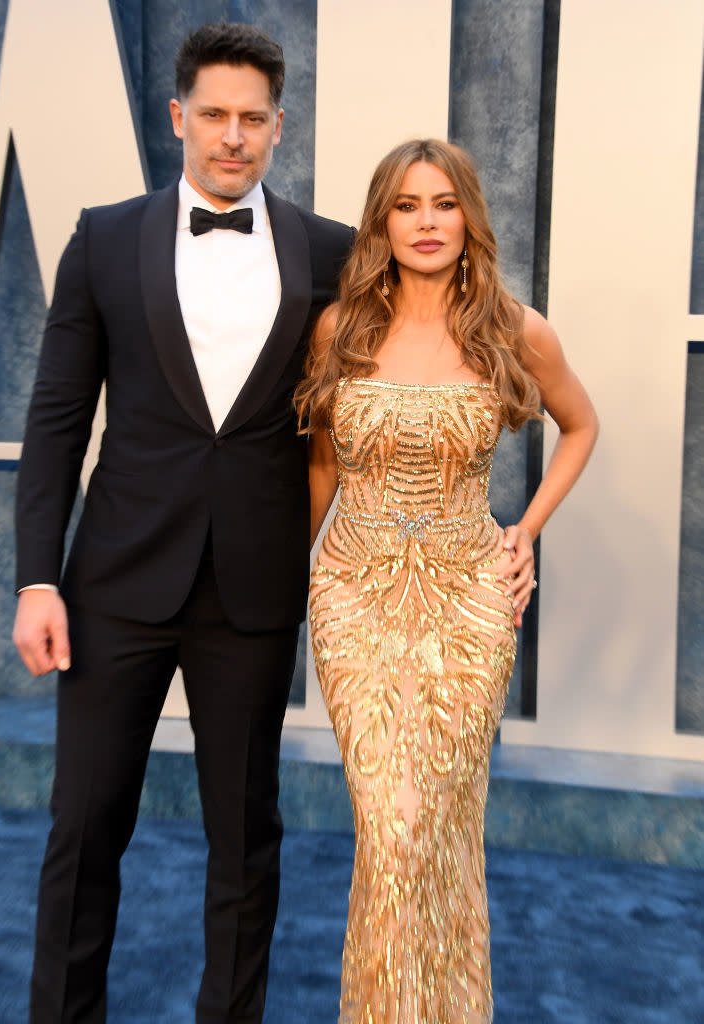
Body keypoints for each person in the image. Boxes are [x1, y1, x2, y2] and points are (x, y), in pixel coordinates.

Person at [12, 22, 353, 1024]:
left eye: (254, 118)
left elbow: (390, 387)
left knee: (246, 837)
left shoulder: (331, 252)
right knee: (84, 828)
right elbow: (57, 420)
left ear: (279, 127)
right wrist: (39, 576)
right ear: (178, 118)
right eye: (215, 115)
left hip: (252, 589)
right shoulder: (103, 237)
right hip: (113, 583)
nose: (233, 135)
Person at [294, 138, 598, 1023]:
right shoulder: (339, 328)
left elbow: (579, 426)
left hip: (468, 606)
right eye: (405, 205)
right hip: (351, 598)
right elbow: (320, 468)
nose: (425, 223)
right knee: (389, 828)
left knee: (435, 826)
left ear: (468, 216)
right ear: (380, 223)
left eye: (442, 204)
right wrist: (284, 584)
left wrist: (527, 530)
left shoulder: (515, 329)